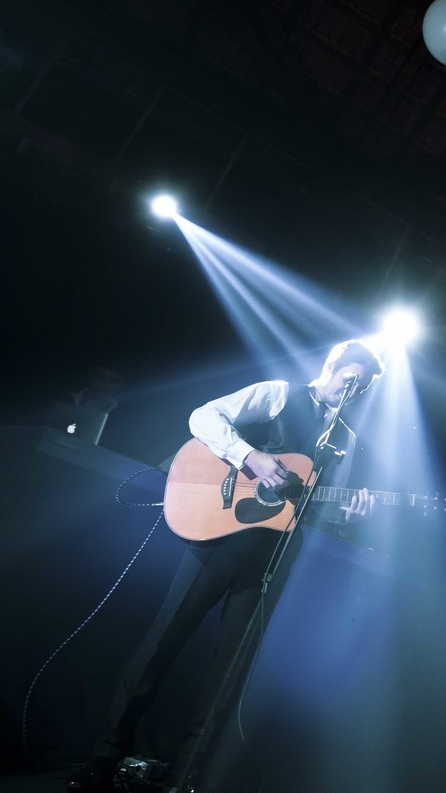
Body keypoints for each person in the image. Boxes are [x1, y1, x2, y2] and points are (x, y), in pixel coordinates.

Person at [65, 339, 384, 793]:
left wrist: (347, 514)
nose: (352, 389)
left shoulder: (343, 441)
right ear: (332, 366)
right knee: (163, 642)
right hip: (218, 533)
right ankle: (105, 755)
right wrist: (250, 456)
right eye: (350, 378)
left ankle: (187, 776)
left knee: (228, 670)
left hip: (270, 555)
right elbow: (203, 416)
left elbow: (318, 505)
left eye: (362, 386)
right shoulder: (278, 394)